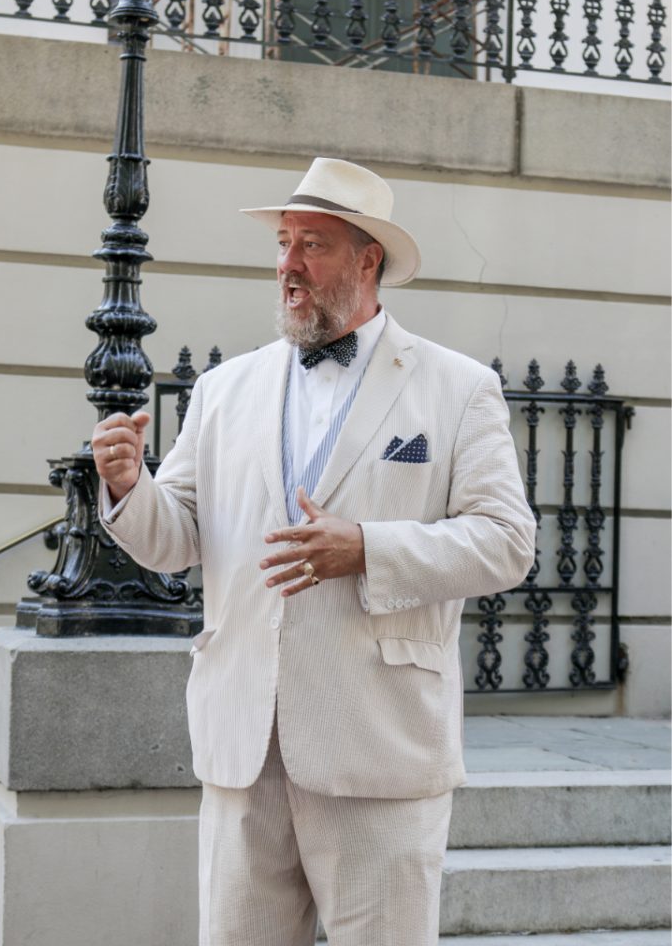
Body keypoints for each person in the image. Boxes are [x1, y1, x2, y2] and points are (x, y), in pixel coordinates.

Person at [93, 157, 536, 946]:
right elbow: (179, 540)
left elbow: (506, 545)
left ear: (368, 260)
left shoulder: (457, 388)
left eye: (313, 245)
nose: (288, 265)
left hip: (377, 745)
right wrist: (131, 489)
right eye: (284, 243)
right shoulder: (226, 389)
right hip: (241, 743)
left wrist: (367, 548)